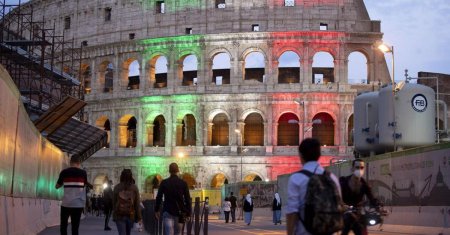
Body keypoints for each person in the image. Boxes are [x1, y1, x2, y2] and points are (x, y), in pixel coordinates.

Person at [285, 138, 341, 235]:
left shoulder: (296, 178)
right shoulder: (332, 178)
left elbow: (292, 211)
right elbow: (339, 205)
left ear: (301, 155)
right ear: (319, 155)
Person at [340, 159, 381, 235]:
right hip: (346, 214)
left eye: (361, 167)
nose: (359, 169)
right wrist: (342, 205)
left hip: (358, 214)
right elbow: (336, 196)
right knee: (345, 227)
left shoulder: (364, 185)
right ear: (352, 169)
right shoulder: (343, 181)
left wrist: (378, 207)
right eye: (357, 167)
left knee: (363, 231)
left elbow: (371, 198)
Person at [55, 155, 93, 235]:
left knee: (63, 227)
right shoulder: (83, 173)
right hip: (78, 204)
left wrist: (65, 182)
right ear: (79, 163)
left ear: (70, 162)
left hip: (66, 204)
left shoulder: (64, 172)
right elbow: (83, 185)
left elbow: (57, 186)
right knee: (75, 228)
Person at [155, 163, 192, 235]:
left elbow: (159, 197)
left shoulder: (164, 182)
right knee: (177, 233)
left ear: (169, 171)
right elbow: (187, 199)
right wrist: (188, 213)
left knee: (168, 233)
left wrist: (157, 210)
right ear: (177, 171)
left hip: (167, 210)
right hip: (180, 212)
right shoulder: (183, 183)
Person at [113, 169, 142, 235]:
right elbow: (137, 204)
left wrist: (114, 215)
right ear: (131, 176)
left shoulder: (117, 187)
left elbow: (114, 203)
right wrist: (139, 217)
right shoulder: (134, 187)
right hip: (130, 214)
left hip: (119, 215)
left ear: (121, 176)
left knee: (122, 233)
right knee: (128, 233)